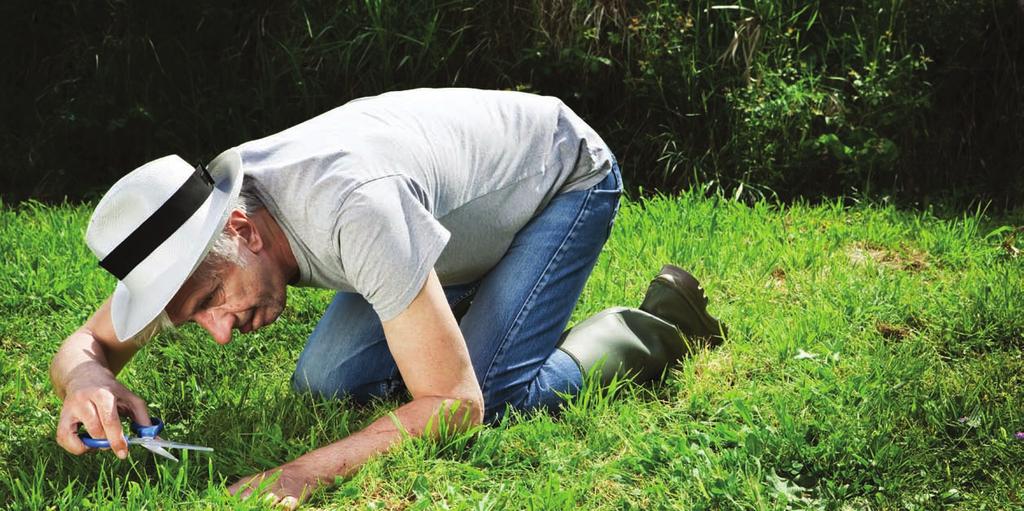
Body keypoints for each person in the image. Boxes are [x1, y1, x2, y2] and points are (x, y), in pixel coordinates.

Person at [49, 88, 725, 507]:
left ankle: (658, 324)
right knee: (325, 380)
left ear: (244, 230)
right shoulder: (191, 229)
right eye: (197, 317)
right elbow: (85, 343)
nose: (221, 331)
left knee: (491, 392)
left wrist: (301, 472)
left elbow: (455, 405)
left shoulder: (350, 209)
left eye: (213, 302)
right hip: (446, 222)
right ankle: (463, 310)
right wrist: (87, 379)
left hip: (559, 180)